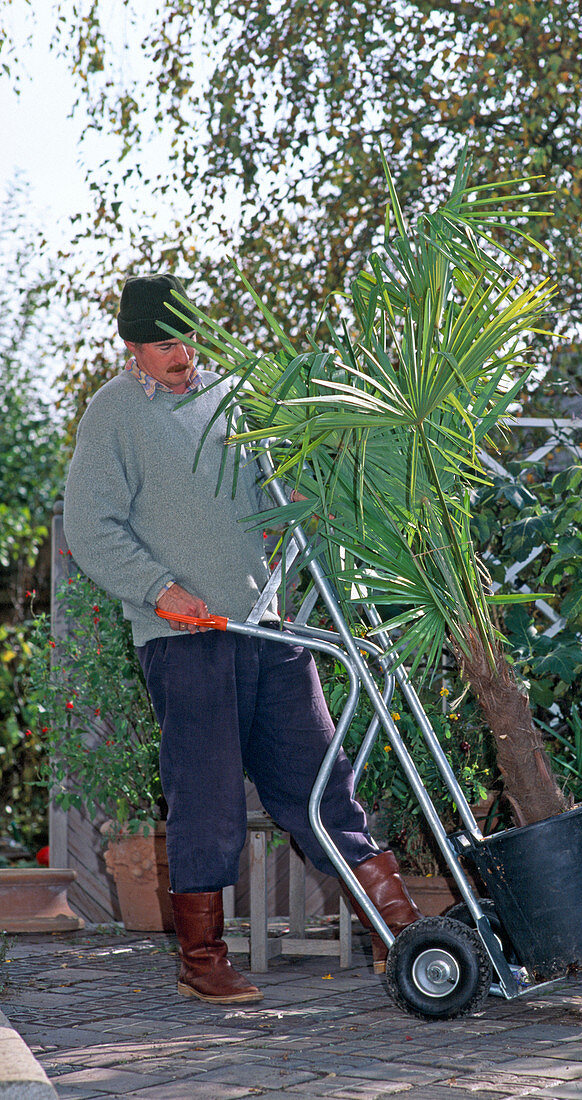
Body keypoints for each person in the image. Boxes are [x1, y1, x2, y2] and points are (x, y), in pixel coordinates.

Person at [63, 273, 422, 1004]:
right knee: (207, 797)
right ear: (132, 347)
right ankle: (202, 959)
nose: (182, 355)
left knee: (324, 783)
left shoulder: (231, 396)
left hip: (269, 628)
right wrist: (161, 590)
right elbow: (89, 525)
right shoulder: (113, 416)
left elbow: (267, 493)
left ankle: (405, 935)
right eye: (165, 345)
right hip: (183, 637)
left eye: (189, 339)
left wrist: (292, 504)